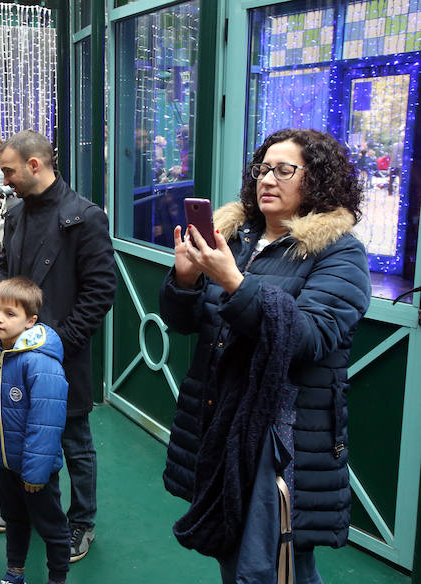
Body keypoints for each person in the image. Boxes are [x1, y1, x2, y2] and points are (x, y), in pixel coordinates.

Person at [159, 129, 371, 583]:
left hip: (278, 437)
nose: (267, 180)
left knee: (274, 565)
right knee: (233, 552)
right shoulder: (235, 240)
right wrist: (185, 280)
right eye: (262, 169)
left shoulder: (339, 253)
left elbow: (311, 336)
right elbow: (189, 322)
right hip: (221, 423)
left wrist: (235, 283)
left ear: (317, 181)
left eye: (284, 170)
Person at [0, 130, 116, 563]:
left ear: (34, 166)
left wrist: (59, 343)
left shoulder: (85, 217)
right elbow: (10, 271)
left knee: (75, 441)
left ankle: (82, 521)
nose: (5, 179)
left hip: (63, 359)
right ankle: (33, 508)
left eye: (9, 170)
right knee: (25, 434)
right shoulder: (18, 212)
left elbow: (101, 292)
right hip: (16, 356)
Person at [0, 277, 70, 584]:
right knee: (14, 520)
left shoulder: (40, 363)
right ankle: (15, 571)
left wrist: (36, 474)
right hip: (6, 465)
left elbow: (47, 423)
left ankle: (58, 579)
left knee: (51, 526)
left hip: (36, 472)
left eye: (10, 314)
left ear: (30, 321)